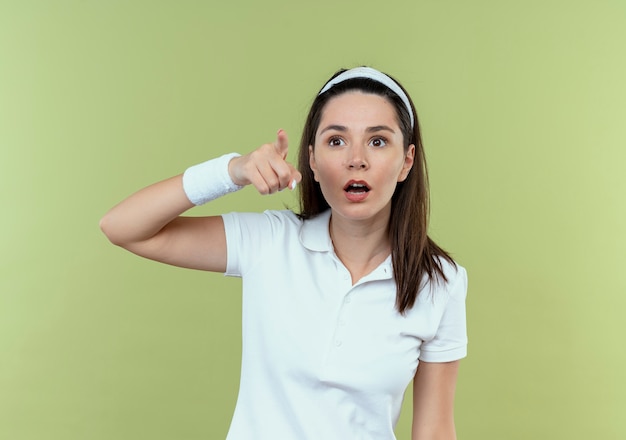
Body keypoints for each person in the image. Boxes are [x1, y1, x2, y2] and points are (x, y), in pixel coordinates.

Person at [100, 66, 468, 440]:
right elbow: (123, 227)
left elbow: (435, 430)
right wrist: (232, 171)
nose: (356, 159)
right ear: (312, 160)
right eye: (336, 141)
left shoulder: (441, 281)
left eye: (377, 141)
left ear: (406, 161)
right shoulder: (270, 241)